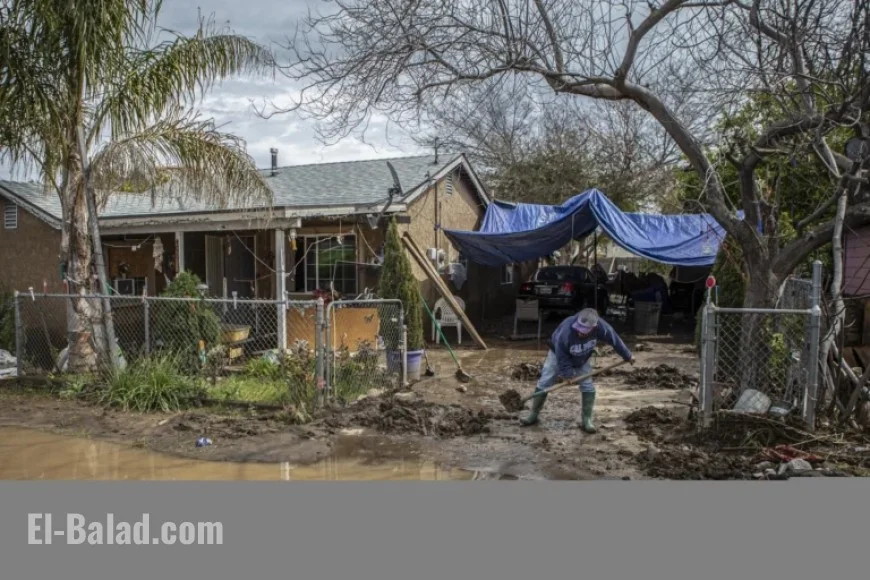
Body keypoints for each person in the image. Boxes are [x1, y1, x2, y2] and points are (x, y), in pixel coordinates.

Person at [520, 308, 634, 433]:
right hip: (557, 354)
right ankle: (533, 414)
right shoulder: (566, 332)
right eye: (579, 329)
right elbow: (562, 357)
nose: (580, 333)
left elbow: (614, 339)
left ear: (594, 327)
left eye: (584, 331)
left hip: (582, 356)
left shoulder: (601, 327)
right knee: (545, 381)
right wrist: (568, 375)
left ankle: (587, 420)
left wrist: (627, 355)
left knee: (587, 385)